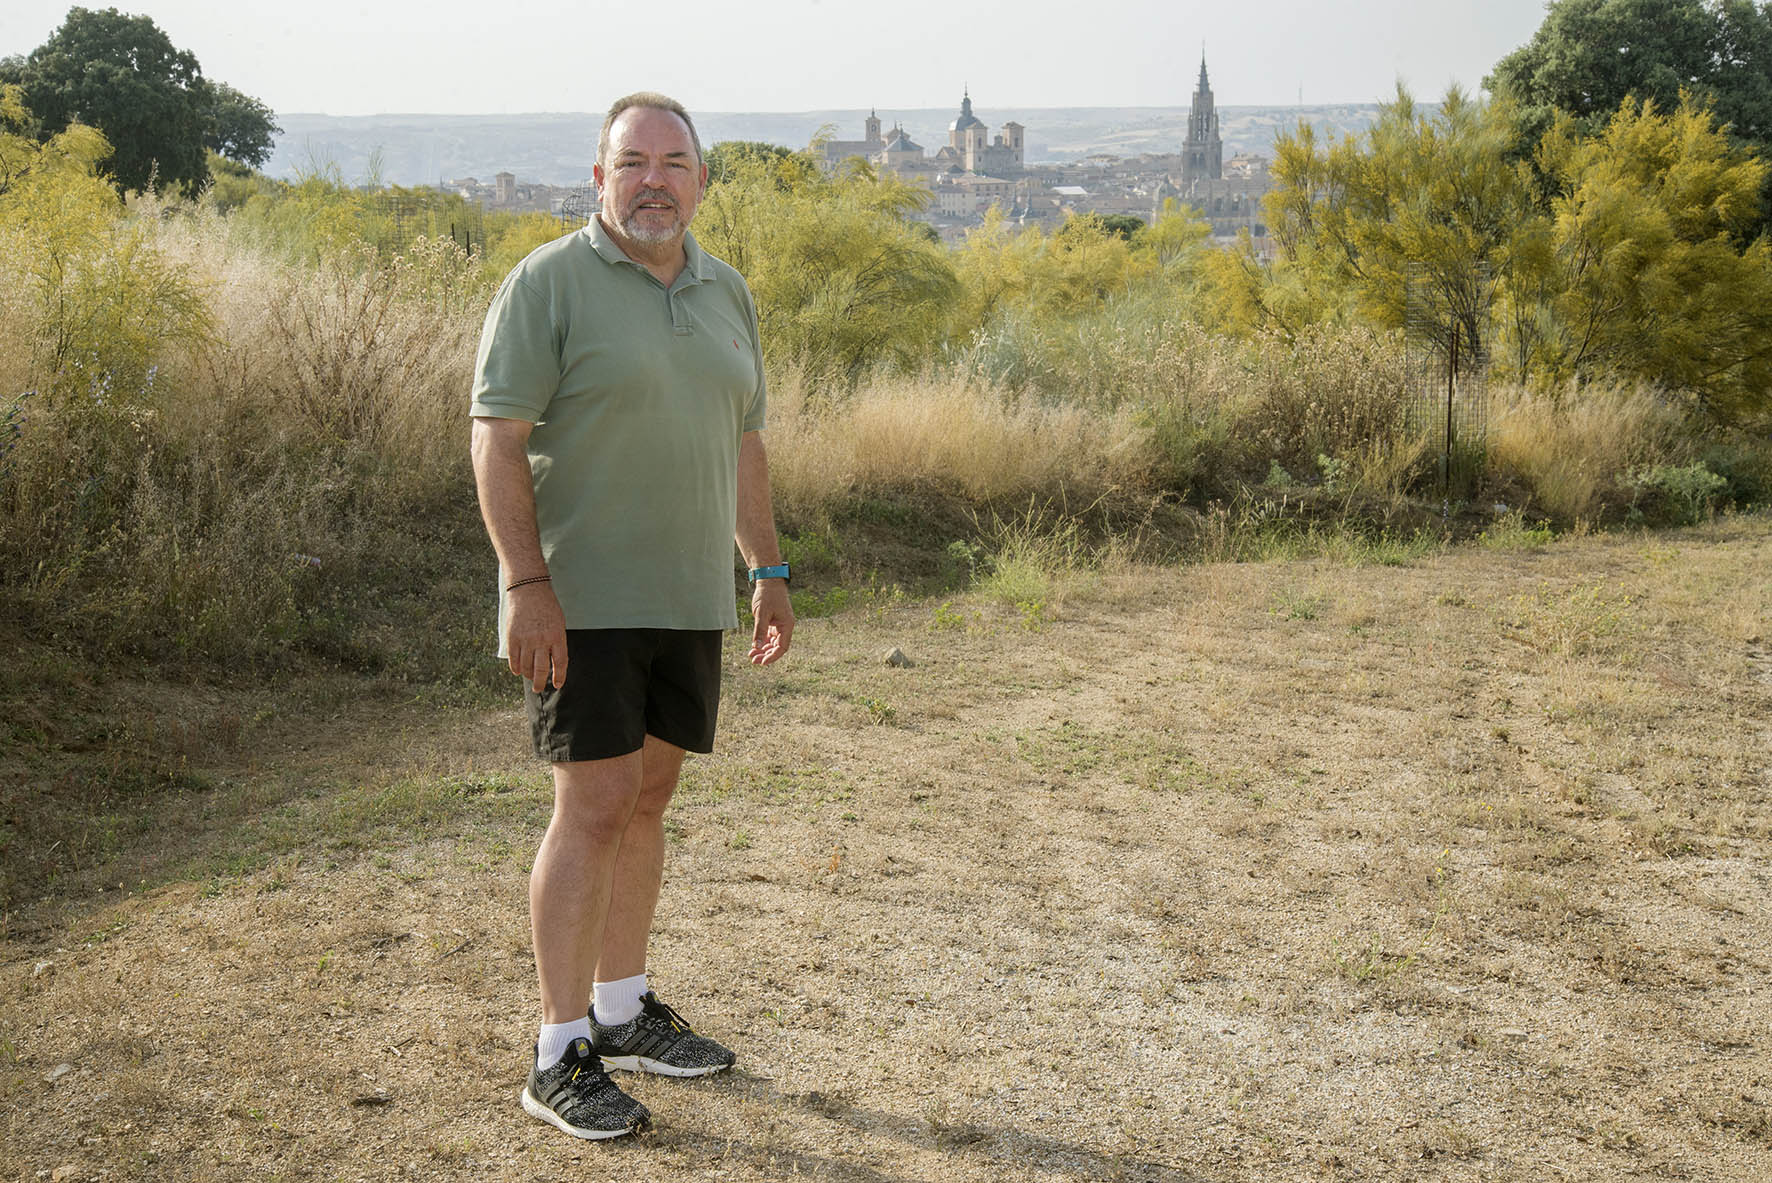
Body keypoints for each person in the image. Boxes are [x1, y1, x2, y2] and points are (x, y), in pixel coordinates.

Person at [468, 91, 794, 1142]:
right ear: (599, 178)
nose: (653, 177)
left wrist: (767, 567)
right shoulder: (548, 283)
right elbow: (496, 440)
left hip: (686, 596)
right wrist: (524, 584)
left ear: (700, 179)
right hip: (582, 598)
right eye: (632, 161)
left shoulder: (725, 290)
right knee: (594, 805)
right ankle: (557, 1050)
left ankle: (620, 1008)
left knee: (647, 801)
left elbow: (740, 439)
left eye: (674, 161)